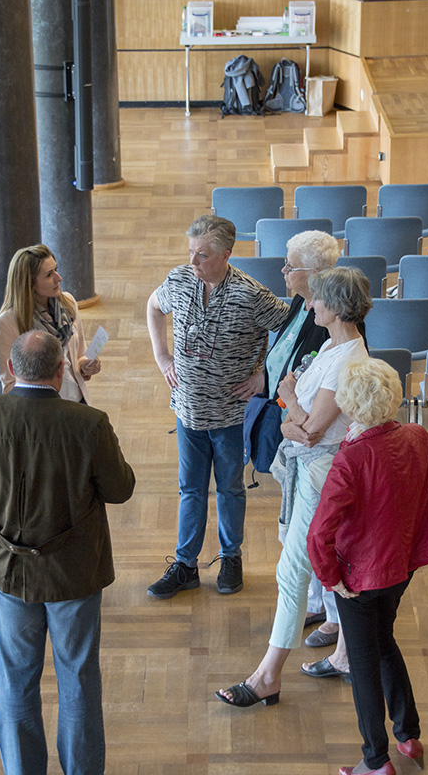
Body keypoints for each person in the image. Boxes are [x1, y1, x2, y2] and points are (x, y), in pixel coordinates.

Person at [0, 331, 135, 775]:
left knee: (16, 679)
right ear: (60, 372)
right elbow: (120, 489)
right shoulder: (88, 423)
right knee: (78, 680)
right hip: (75, 575)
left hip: (8, 574)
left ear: (12, 370)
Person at [215, 266, 371, 707]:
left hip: (322, 475)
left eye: (317, 299)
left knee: (293, 571)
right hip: (310, 470)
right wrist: (290, 409)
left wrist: (290, 402)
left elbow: (308, 430)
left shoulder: (346, 360)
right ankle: (343, 655)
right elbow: (293, 420)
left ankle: (268, 675)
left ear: (336, 307)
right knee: (325, 564)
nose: (310, 304)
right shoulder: (333, 348)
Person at [307, 358, 428, 775]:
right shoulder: (418, 436)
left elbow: (318, 535)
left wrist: (331, 580)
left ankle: (375, 760)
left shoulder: (351, 458)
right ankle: (408, 736)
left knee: (364, 660)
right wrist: (427, 508)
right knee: (384, 641)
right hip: (402, 566)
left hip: (357, 578)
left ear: (350, 405)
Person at [146, 214, 289, 598]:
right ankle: (185, 565)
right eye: (191, 253)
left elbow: (292, 330)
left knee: (229, 489)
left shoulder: (251, 294)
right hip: (188, 410)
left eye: (202, 256)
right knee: (190, 489)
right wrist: (162, 357)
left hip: (230, 416)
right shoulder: (179, 279)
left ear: (227, 254)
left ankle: (231, 558)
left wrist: (266, 378)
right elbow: (153, 306)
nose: (193, 263)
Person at [247, 229, 342, 648]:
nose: (282, 271)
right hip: (295, 438)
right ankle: (319, 601)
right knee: (301, 531)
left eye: (291, 266)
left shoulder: (330, 324)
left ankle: (335, 616)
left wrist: (286, 405)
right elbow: (284, 353)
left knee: (319, 533)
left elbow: (314, 421)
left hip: (315, 449)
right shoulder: (303, 303)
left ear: (316, 274)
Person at [0, 243, 101, 403]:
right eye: (49, 275)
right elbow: (9, 386)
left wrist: (85, 365)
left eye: (56, 270)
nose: (59, 278)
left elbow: (78, 355)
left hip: (77, 403)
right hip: (41, 411)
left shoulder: (68, 303)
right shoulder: (5, 325)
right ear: (30, 283)